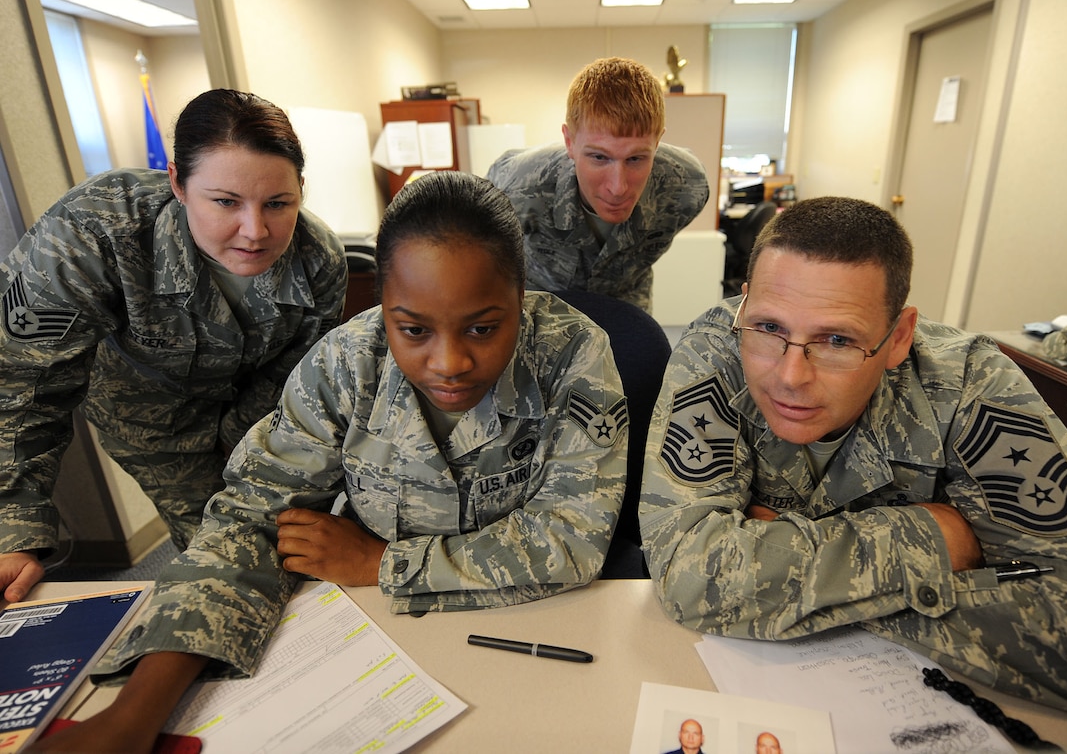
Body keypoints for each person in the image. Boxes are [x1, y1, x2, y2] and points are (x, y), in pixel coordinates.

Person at [33, 170, 627, 752]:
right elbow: (249, 521)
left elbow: (573, 536)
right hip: (383, 640)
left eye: (482, 328)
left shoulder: (570, 354)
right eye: (413, 329)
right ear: (383, 306)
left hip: (537, 628)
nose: (449, 362)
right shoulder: (348, 364)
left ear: (522, 299)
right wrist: (134, 714)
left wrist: (384, 562)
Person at [639, 196, 1067, 715]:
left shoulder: (969, 381)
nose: (790, 376)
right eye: (769, 328)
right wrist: (931, 542)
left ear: (899, 337)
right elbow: (689, 572)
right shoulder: (718, 346)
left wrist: (783, 573)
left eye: (837, 340)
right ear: (745, 306)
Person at [0, 89, 347, 603]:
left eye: (278, 203)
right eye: (225, 202)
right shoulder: (94, 231)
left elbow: (294, 382)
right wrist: (13, 529)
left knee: (286, 543)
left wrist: (248, 459)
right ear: (178, 184)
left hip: (255, 416)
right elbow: (24, 385)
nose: (255, 231)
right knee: (217, 555)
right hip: (149, 421)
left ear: (301, 189)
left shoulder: (319, 260)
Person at [486, 56, 709, 314]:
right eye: (599, 157)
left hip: (625, 301)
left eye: (635, 159)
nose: (618, 188)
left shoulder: (686, 187)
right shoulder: (518, 186)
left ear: (658, 142)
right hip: (544, 302)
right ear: (569, 142)